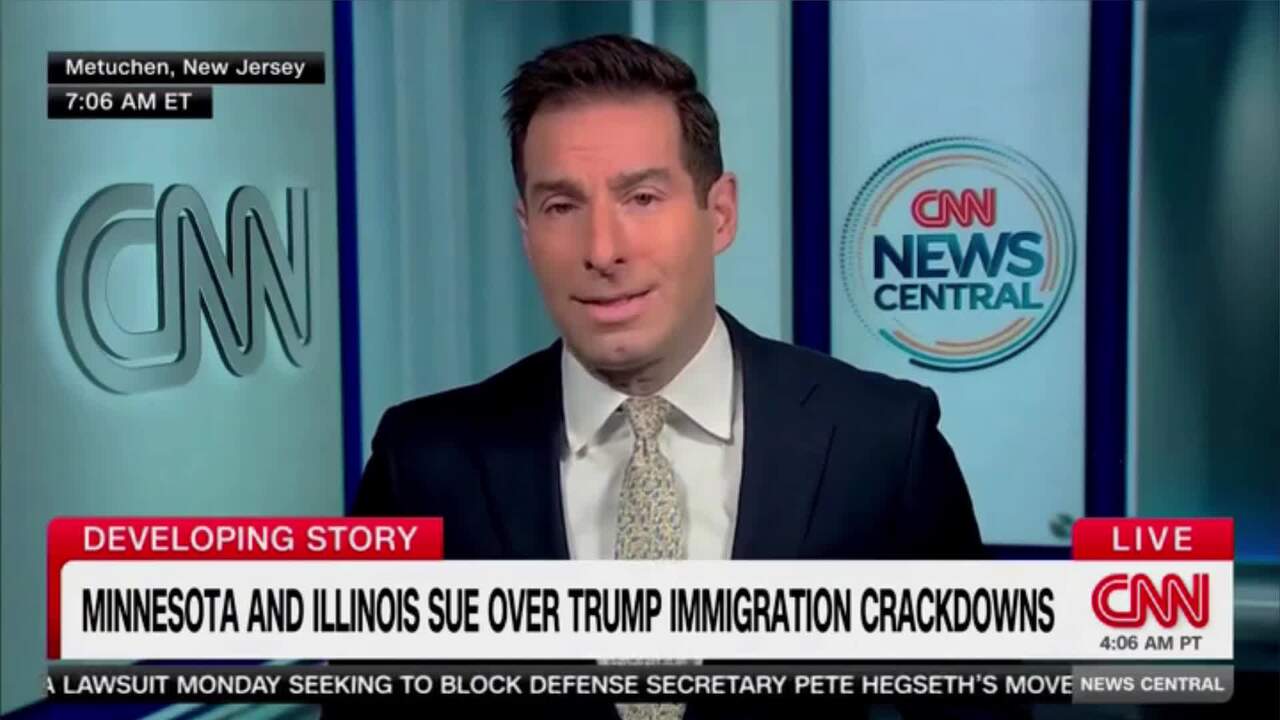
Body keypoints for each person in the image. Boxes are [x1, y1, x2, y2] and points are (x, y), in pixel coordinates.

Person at [350, 33, 988, 720]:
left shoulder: (881, 442)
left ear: (720, 213)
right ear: (527, 229)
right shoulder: (422, 463)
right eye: (562, 206)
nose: (603, 250)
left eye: (643, 198)